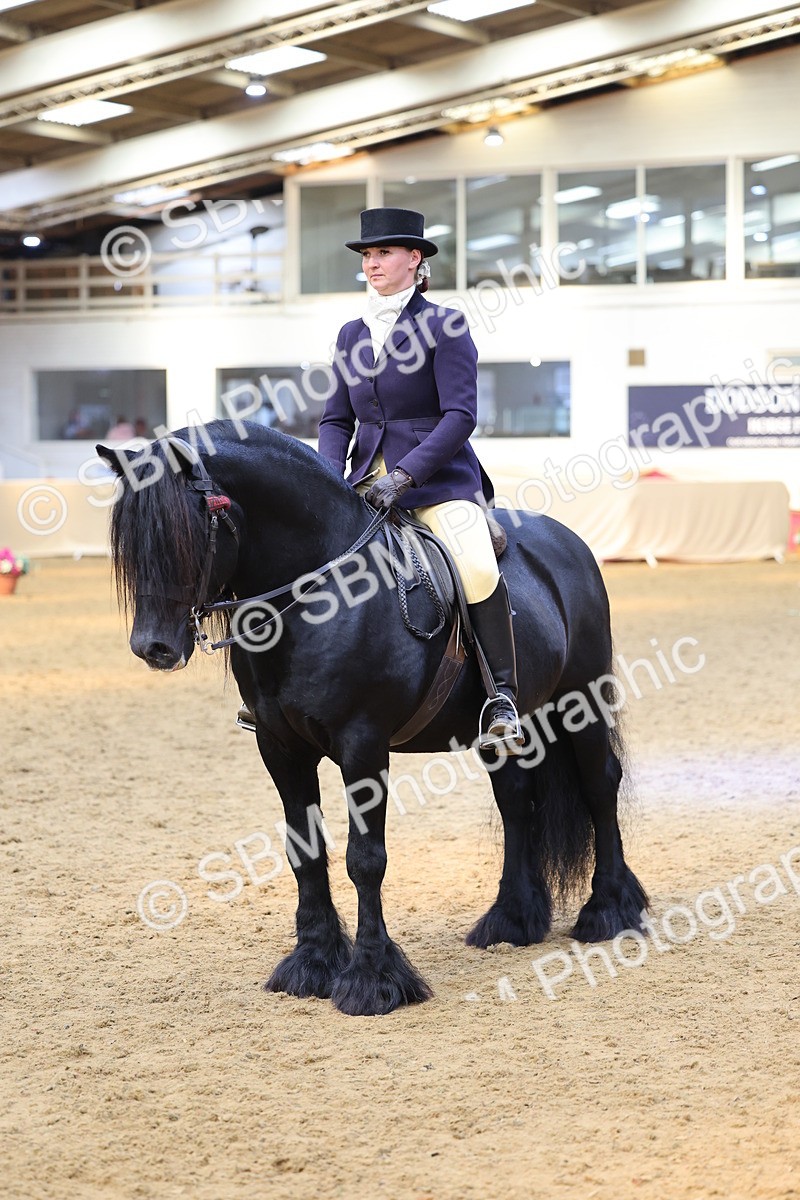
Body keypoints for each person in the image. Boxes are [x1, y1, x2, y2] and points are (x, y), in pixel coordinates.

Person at [315, 207, 522, 750]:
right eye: (367, 255)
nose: (372, 263)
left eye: (383, 253)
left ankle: (501, 696)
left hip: (436, 483)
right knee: (304, 557)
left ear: (414, 258)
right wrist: (327, 479)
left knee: (476, 566)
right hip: (364, 481)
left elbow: (460, 416)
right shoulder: (351, 334)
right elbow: (336, 420)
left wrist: (406, 475)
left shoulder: (444, 325)